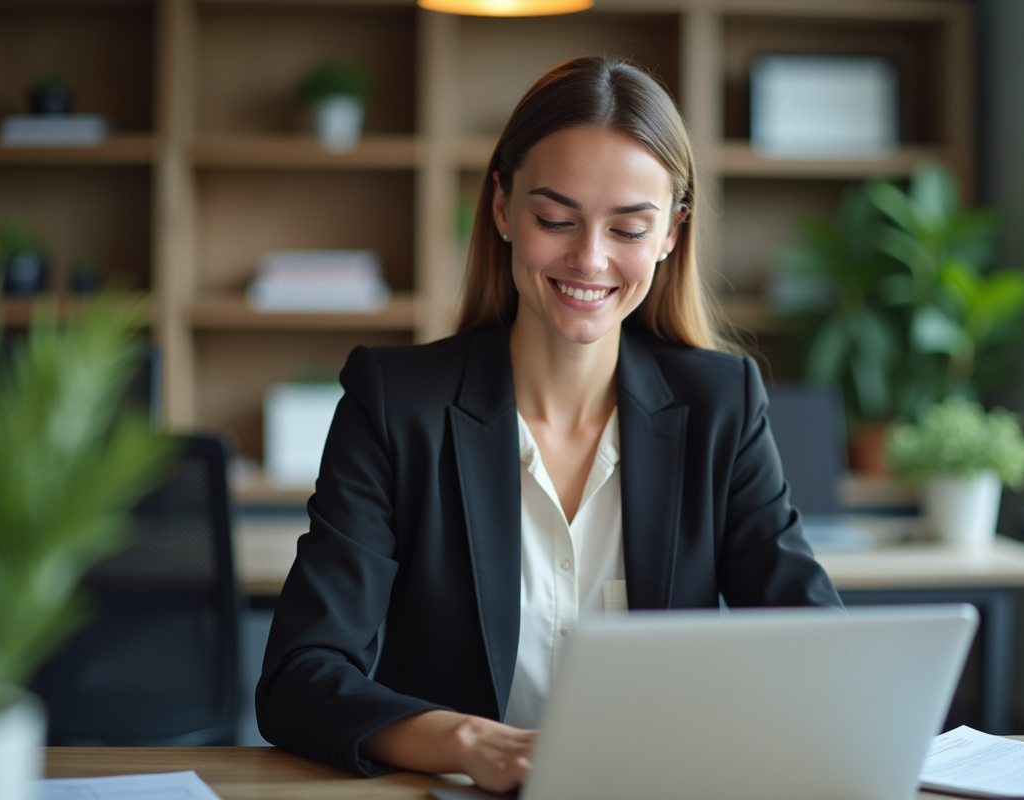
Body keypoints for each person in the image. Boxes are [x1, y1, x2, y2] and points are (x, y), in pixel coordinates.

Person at [255, 55, 843, 793]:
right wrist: (470, 743)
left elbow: (815, 646)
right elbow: (300, 678)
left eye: (629, 228)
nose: (589, 259)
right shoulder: (394, 402)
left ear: (671, 233)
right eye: (555, 219)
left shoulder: (723, 402)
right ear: (502, 207)